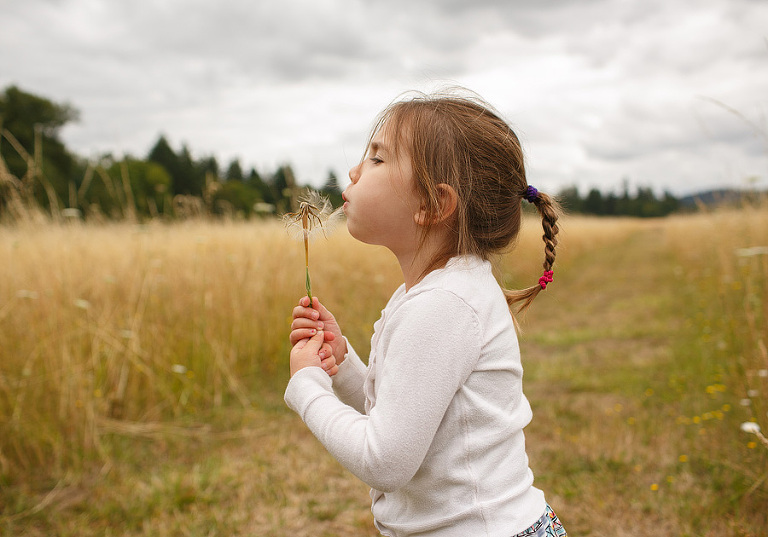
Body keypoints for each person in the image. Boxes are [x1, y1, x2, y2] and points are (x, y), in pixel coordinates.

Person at [285, 89, 567, 537]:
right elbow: (403, 413)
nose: (355, 170)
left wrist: (307, 387)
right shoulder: (437, 292)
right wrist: (341, 364)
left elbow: (385, 460)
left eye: (377, 159)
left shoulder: (443, 306)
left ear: (433, 204)